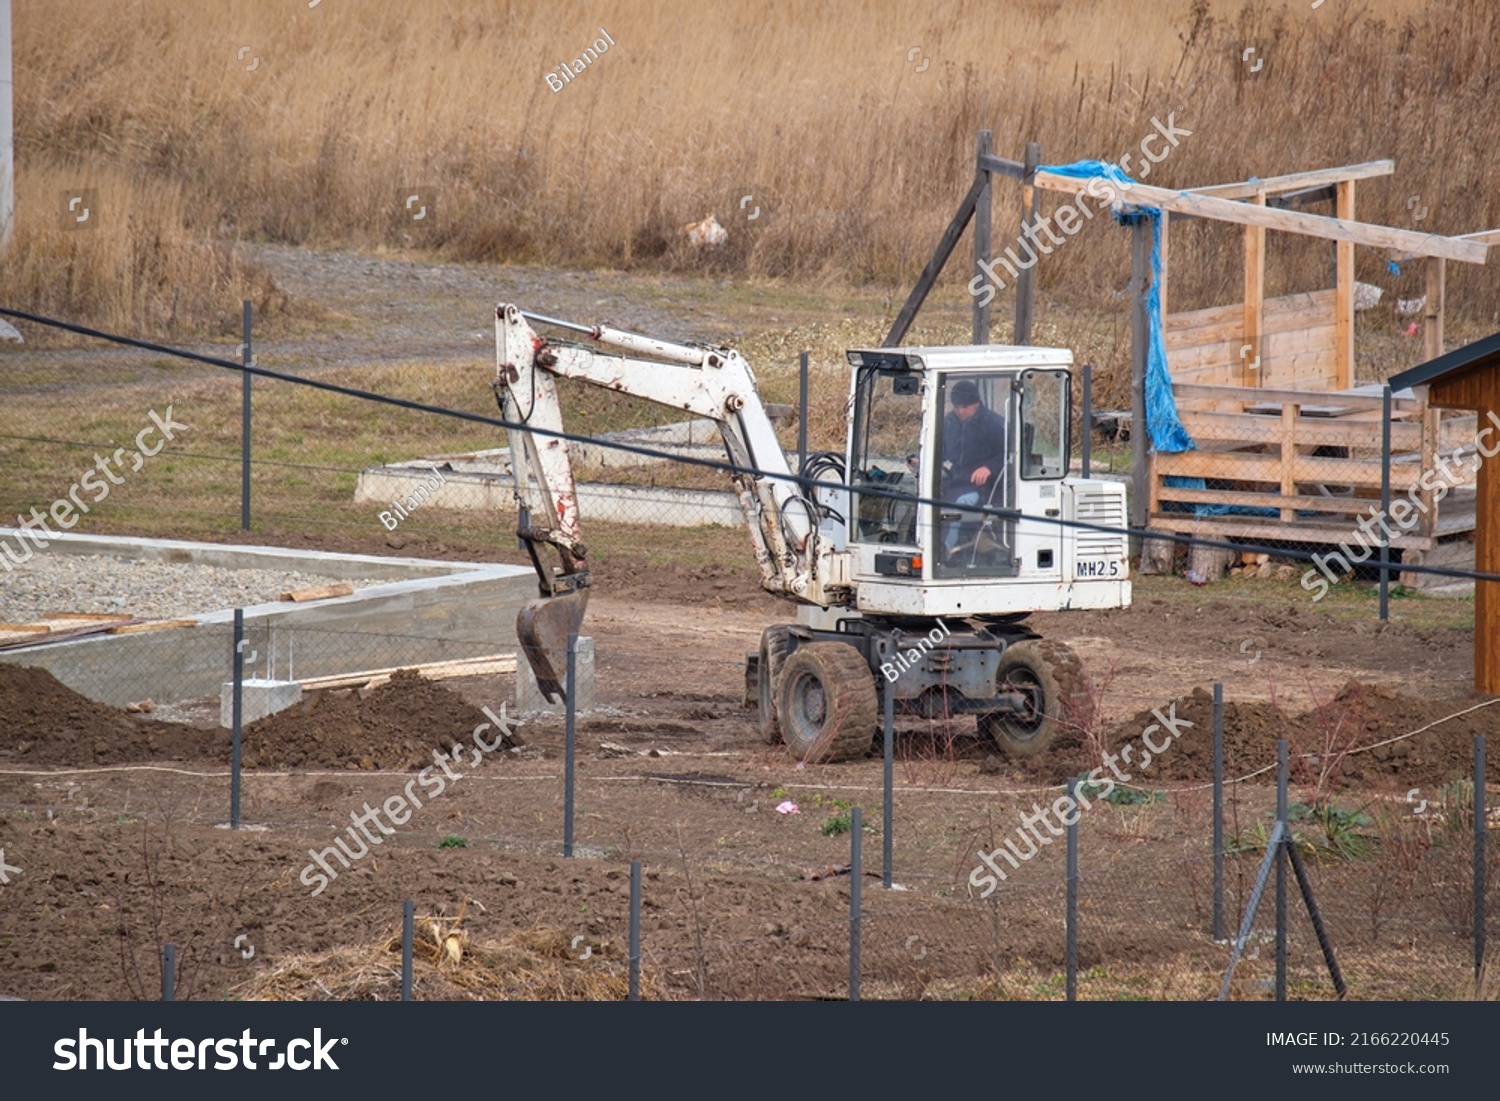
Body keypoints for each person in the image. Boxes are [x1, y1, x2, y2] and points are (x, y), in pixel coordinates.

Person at [940, 380, 1007, 560]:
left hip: (984, 486)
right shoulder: (950, 422)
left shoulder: (994, 424)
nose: (959, 411)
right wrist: (919, 457)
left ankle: (944, 552)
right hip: (956, 479)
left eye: (964, 406)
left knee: (955, 506)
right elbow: (939, 448)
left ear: (976, 403)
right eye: (956, 406)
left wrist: (989, 467)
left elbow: (1010, 454)